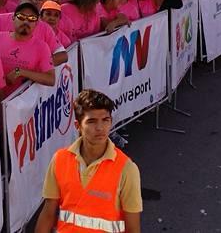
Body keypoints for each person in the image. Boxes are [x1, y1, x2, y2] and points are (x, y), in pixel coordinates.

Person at [36, 89, 142, 233]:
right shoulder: (59, 160)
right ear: (78, 126)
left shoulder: (127, 169)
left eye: (106, 120)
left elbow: (133, 228)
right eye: (91, 121)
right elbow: (48, 213)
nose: (100, 128)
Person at [0, 2, 56, 97]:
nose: (26, 22)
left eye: (31, 18)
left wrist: (20, 72)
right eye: (21, 17)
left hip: (21, 105)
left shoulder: (41, 47)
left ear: (36, 23)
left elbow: (50, 79)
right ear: (13, 18)